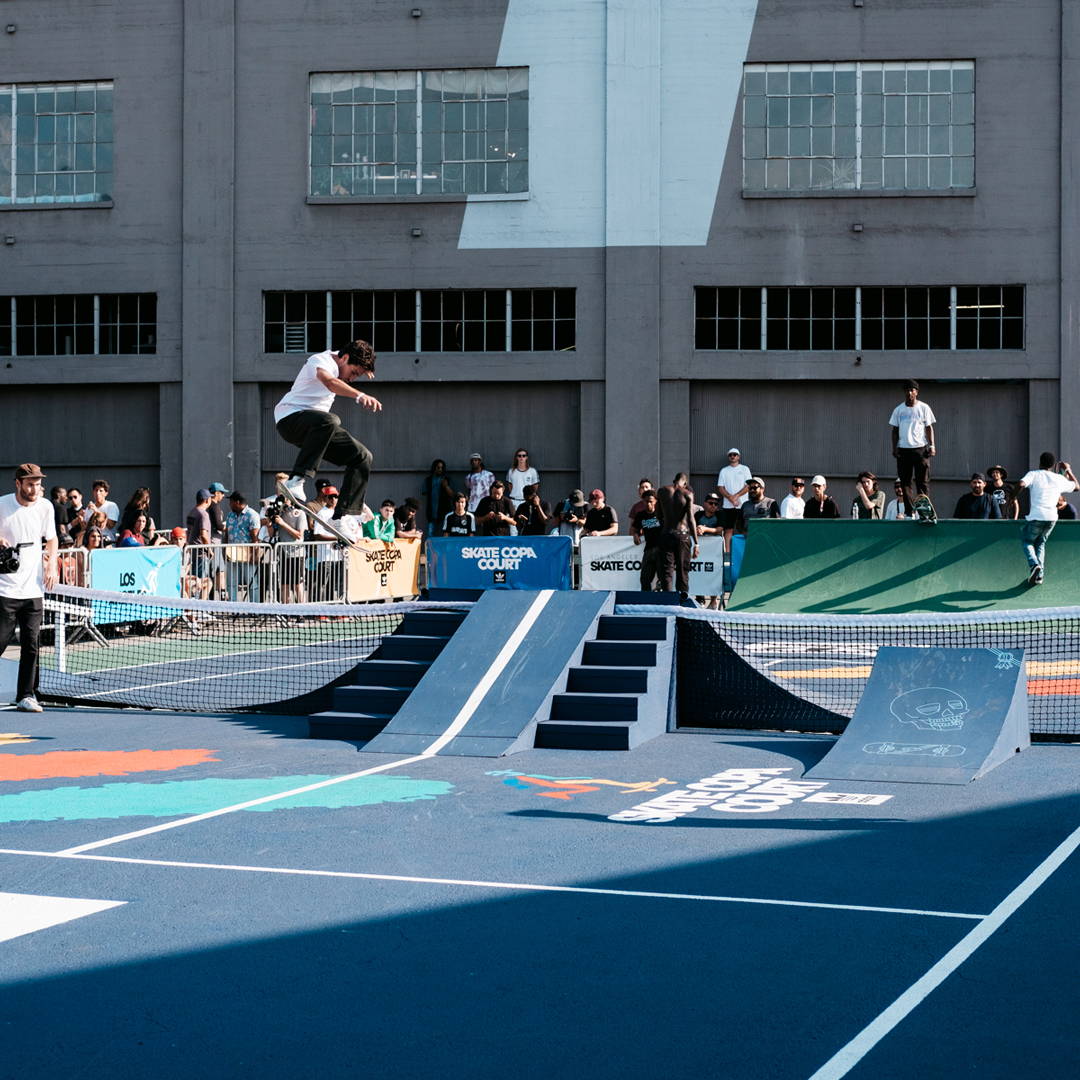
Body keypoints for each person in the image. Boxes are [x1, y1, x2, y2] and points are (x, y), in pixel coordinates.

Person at [274, 339, 381, 519]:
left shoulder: (344, 364)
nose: (352, 379)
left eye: (357, 376)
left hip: (318, 431)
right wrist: (359, 395)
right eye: (353, 372)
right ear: (344, 358)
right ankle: (296, 480)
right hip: (290, 420)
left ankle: (344, 516)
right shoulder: (321, 360)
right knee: (331, 420)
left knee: (362, 457)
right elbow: (330, 382)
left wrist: (366, 366)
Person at [0, 464, 59, 713]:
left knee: (31, 644)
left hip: (33, 590)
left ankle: (26, 694)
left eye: (37, 483)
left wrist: (52, 564)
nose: (34, 488)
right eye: (30, 484)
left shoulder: (45, 506)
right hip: (5, 589)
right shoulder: (2, 505)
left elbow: (52, 538)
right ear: (18, 484)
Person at [1015, 452, 1078, 585]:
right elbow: (1077, 487)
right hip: (1052, 518)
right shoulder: (1058, 478)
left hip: (1037, 516)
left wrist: (1012, 498)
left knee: (1027, 541)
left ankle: (1034, 565)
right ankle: (1039, 576)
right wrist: (1067, 469)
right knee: (1041, 543)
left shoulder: (1034, 474)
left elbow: (1020, 484)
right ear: (1052, 465)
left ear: (1040, 462)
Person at [889, 378, 936, 515]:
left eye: (912, 390)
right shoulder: (899, 410)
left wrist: (932, 445)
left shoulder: (923, 408)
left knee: (922, 481)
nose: (909, 393)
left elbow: (929, 427)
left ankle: (924, 510)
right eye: (907, 390)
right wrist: (894, 447)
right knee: (905, 482)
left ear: (916, 392)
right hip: (904, 449)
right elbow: (894, 430)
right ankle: (910, 512)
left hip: (920, 448)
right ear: (904, 392)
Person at [656, 482, 697, 596]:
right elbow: (690, 519)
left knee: (667, 571)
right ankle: (682, 602)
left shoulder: (662, 491)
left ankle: (667, 601)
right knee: (682, 571)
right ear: (684, 483)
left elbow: (658, 515)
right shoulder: (687, 493)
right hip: (682, 534)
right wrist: (696, 543)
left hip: (666, 533)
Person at [224, 492, 262, 601]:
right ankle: (233, 606)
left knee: (251, 581)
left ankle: (254, 608)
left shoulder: (252, 515)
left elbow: (255, 537)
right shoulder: (230, 515)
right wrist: (224, 550)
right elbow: (227, 533)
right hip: (232, 552)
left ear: (237, 502)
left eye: (231, 502)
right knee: (231, 582)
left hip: (247, 553)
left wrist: (255, 554)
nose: (229, 504)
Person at [716, 448, 752, 550]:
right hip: (728, 506)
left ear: (738, 457)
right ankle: (727, 553)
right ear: (728, 457)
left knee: (744, 529)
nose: (733, 456)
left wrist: (736, 496)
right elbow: (720, 487)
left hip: (743, 505)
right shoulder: (724, 470)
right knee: (728, 530)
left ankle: (745, 552)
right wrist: (730, 498)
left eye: (735, 455)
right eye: (731, 455)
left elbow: (748, 486)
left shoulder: (745, 469)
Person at [630, 488, 665, 591]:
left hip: (662, 550)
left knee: (663, 579)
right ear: (643, 501)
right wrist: (635, 535)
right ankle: (646, 601)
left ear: (655, 501)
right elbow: (634, 528)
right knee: (644, 579)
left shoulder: (662, 514)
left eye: (651, 501)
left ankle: (663, 602)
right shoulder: (641, 515)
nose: (648, 504)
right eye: (646, 501)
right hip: (649, 549)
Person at [185, 489, 213, 587]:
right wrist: (210, 550)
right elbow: (203, 535)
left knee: (194, 582)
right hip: (201, 554)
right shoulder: (203, 514)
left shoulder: (192, 512)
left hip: (192, 552)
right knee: (201, 583)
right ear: (206, 500)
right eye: (210, 497)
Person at [421, 460, 455, 532]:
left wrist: (446, 487)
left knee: (445, 533)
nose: (440, 470)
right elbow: (424, 492)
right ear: (434, 468)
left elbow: (453, 495)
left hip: (444, 512)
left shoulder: (447, 480)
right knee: (430, 534)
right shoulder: (428, 480)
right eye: (438, 467)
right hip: (431, 511)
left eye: (442, 468)